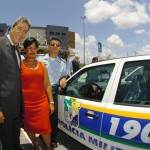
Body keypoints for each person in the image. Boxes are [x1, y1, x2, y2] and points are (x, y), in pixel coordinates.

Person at [0, 16, 31, 150]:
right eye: (19, 28)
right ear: (12, 28)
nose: (22, 33)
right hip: (4, 109)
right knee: (7, 145)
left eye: (25, 31)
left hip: (15, 108)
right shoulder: (1, 44)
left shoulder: (16, 49)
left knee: (15, 142)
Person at [21, 37, 54, 150]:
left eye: (35, 48)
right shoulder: (20, 65)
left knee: (46, 128)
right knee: (29, 127)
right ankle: (35, 145)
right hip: (26, 104)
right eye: (29, 48)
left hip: (41, 103)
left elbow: (47, 85)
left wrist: (51, 102)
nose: (32, 50)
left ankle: (48, 148)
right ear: (25, 49)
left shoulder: (42, 65)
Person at [38, 36, 67, 148]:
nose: (55, 46)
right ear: (49, 46)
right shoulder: (40, 59)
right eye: (53, 44)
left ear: (60, 48)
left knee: (53, 117)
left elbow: (63, 75)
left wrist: (63, 78)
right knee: (41, 116)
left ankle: (52, 138)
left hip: (53, 91)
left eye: (57, 45)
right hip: (40, 91)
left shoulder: (63, 63)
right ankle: (42, 134)